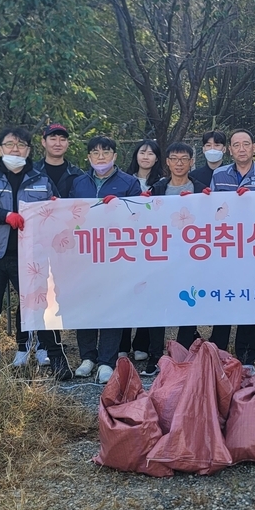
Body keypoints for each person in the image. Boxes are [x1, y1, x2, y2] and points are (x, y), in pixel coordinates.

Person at [0, 126, 71, 384]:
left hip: (31, 257)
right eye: (10, 144)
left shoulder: (41, 181)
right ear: (0, 149)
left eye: (21, 145)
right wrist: (3, 216)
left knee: (41, 309)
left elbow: (59, 212)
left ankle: (56, 359)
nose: (15, 149)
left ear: (29, 150)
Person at [70, 136, 143, 384]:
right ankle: (87, 357)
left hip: (116, 256)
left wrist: (119, 209)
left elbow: (139, 216)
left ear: (115, 155)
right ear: (88, 157)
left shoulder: (129, 182)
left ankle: (106, 361)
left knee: (111, 306)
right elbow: (69, 218)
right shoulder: (78, 183)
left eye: (106, 152)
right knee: (86, 305)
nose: (100, 157)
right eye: (95, 152)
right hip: (85, 255)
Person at [142, 142, 213, 377]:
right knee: (157, 307)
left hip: (192, 258)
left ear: (192, 162)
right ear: (168, 162)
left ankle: (182, 355)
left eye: (185, 159)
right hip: (161, 257)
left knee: (187, 305)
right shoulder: (157, 189)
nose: (180, 163)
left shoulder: (202, 189)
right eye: (175, 159)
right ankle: (155, 357)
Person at [205, 129, 255, 368]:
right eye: (237, 145)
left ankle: (247, 357)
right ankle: (219, 352)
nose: (242, 148)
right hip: (226, 247)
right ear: (230, 150)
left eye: (246, 144)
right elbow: (213, 212)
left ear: (254, 147)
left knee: (246, 299)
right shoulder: (220, 175)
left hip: (253, 247)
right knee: (224, 299)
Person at [20, 122, 83, 368]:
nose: (58, 143)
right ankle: (30, 345)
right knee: (34, 294)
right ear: (43, 142)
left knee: (61, 294)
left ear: (68, 143)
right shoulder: (30, 173)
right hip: (35, 244)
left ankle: (54, 344)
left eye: (62, 139)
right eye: (52, 138)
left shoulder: (78, 174)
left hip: (69, 244)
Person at [121, 138, 165, 361]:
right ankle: (122, 343)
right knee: (126, 293)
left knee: (148, 294)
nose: (145, 156)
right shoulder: (123, 180)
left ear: (157, 158)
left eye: (150, 153)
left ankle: (142, 343)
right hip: (127, 245)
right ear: (135, 155)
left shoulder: (164, 183)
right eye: (142, 152)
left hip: (154, 245)